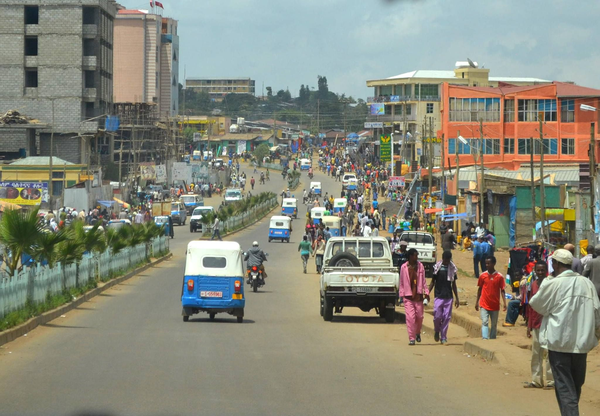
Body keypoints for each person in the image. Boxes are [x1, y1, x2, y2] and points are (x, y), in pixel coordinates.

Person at [529, 249, 600, 415]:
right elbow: (597, 312)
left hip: (559, 344)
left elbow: (536, 304)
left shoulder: (553, 283)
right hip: (581, 345)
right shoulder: (586, 283)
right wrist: (596, 333)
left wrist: (547, 282)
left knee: (565, 388)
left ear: (556, 264)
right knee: (574, 386)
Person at [523, 261, 554, 389]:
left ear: (546, 271)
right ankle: (536, 380)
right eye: (538, 270)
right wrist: (528, 325)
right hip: (535, 323)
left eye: (542, 270)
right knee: (536, 352)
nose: (540, 273)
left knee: (549, 353)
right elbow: (530, 306)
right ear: (535, 271)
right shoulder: (532, 285)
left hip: (548, 323)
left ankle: (551, 381)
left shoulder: (550, 285)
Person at [428, 251, 460, 344]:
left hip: (448, 296)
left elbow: (454, 284)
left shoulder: (452, 269)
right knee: (437, 316)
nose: (446, 261)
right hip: (438, 295)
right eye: (445, 260)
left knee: (446, 317)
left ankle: (443, 337)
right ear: (443, 258)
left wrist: (457, 298)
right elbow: (433, 282)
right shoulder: (437, 268)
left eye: (448, 260)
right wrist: (427, 293)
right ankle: (437, 330)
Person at [399, 248, 429, 345]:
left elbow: (423, 281)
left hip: (418, 296)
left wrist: (426, 292)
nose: (417, 257)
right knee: (410, 318)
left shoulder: (420, 267)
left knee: (419, 317)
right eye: (415, 255)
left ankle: (417, 332)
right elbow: (402, 282)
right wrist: (401, 294)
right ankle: (411, 338)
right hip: (408, 296)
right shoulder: (404, 267)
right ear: (411, 256)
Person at [475, 256, 507, 340]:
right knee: (485, 321)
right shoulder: (483, 276)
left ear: (493, 264)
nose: (487, 265)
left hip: (495, 305)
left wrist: (504, 303)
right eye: (486, 263)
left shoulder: (499, 276)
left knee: (494, 324)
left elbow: (502, 290)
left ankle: (492, 339)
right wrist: (477, 302)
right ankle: (484, 338)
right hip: (484, 303)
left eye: (489, 263)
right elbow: (480, 289)